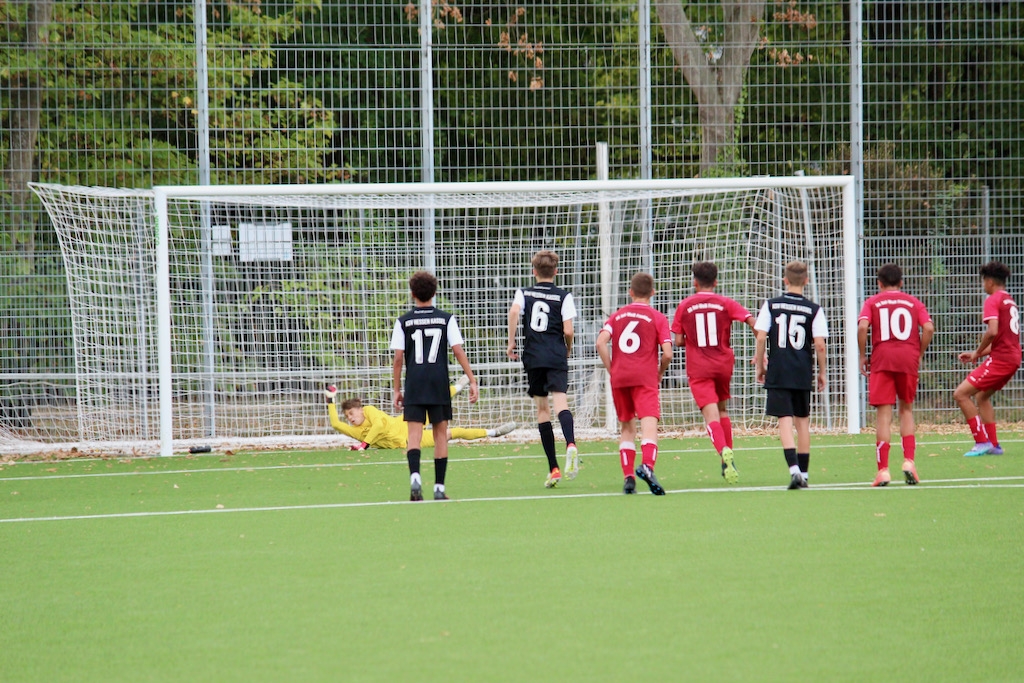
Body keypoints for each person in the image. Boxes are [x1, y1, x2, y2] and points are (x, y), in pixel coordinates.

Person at [391, 270, 479, 501]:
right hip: (438, 382)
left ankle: (415, 479)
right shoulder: (446, 319)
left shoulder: (403, 322)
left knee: (414, 435)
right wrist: (471, 379)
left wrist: (397, 389)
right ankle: (439, 488)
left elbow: (398, 358)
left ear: (412, 293)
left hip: (415, 383)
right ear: (434, 293)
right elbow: (458, 351)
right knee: (441, 434)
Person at [671, 261, 755, 484]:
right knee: (723, 410)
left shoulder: (685, 305)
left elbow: (678, 340)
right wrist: (761, 351)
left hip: (700, 367)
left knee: (711, 417)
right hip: (723, 364)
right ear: (715, 282)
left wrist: (691, 340)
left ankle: (723, 450)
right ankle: (728, 463)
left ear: (695, 283)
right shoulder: (725, 303)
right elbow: (752, 321)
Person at [507, 249, 580, 488]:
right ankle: (571, 443)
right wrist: (567, 348)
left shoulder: (524, 293)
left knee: (542, 410)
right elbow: (568, 330)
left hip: (534, 356)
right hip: (556, 355)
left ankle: (553, 468)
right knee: (561, 403)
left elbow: (514, 311)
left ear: (534, 271)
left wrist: (511, 341)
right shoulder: (563, 296)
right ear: (556, 272)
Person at [857, 263, 935, 486]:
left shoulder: (872, 302)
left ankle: (883, 470)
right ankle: (909, 461)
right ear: (901, 282)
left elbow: (862, 327)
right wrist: (918, 352)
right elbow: (929, 328)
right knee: (906, 409)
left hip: (882, 358)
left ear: (879, 283)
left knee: (884, 414)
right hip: (908, 358)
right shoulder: (913, 302)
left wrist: (862, 355)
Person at [596, 272, 673, 495]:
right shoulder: (658, 317)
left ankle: (628, 478)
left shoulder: (617, 316)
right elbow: (668, 354)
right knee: (649, 424)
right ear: (653, 293)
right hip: (644, 377)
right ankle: (647, 466)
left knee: (627, 427)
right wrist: (659, 373)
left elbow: (600, 342)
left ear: (630, 292)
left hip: (620, 377)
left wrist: (612, 369)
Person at [754, 261, 828, 490]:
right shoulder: (814, 309)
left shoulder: (771, 305)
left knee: (784, 420)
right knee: (802, 421)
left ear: (785, 280)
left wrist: (760, 365)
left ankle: (794, 470)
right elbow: (820, 344)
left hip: (779, 370)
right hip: (802, 371)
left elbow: (760, 336)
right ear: (806, 281)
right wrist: (822, 372)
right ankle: (804, 474)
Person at [323, 378, 515, 450]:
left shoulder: (369, 411)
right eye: (347, 416)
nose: (350, 418)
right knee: (452, 433)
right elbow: (336, 424)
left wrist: (364, 444)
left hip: (407, 422)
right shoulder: (356, 432)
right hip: (411, 441)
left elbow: (379, 426)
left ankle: (457, 387)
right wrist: (330, 401)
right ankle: (493, 432)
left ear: (360, 409)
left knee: (432, 403)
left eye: (351, 413)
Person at [953, 261, 1021, 457]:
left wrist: (978, 351)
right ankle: (994, 445)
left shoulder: (993, 299)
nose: (983, 285)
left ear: (989, 281)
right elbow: (1003, 339)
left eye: (983, 281)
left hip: (1001, 359)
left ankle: (981, 441)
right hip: (1012, 357)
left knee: (960, 394)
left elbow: (992, 332)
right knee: (981, 396)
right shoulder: (1009, 300)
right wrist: (977, 353)